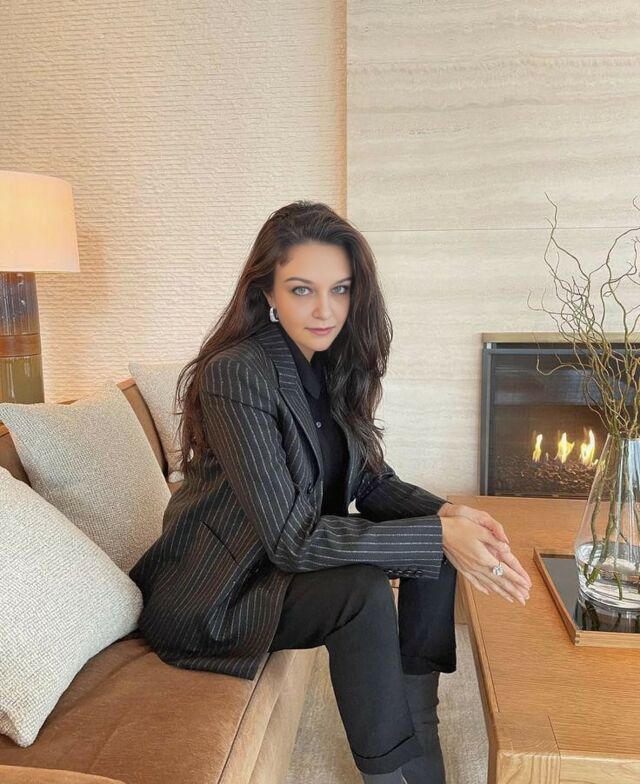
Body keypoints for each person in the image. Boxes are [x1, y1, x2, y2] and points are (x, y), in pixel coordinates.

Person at [129, 201, 532, 784]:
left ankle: (421, 729)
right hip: (222, 590)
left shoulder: (331, 364)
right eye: (302, 290)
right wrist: (437, 533)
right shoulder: (236, 373)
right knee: (364, 589)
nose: (325, 310)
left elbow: (370, 481)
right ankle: (388, 773)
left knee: (432, 553)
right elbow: (291, 540)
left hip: (279, 565)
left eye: (340, 289)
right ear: (267, 291)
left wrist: (449, 514)